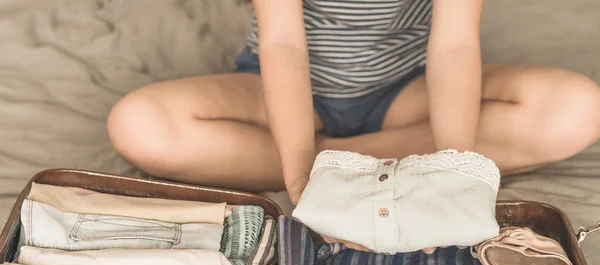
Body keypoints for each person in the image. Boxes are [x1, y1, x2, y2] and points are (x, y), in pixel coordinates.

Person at [107, 0, 600, 209]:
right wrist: (298, 168)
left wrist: (455, 165)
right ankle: (333, 156)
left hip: (407, 91)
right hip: (281, 88)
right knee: (139, 124)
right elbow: (283, 47)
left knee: (579, 108)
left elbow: (454, 47)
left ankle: (345, 155)